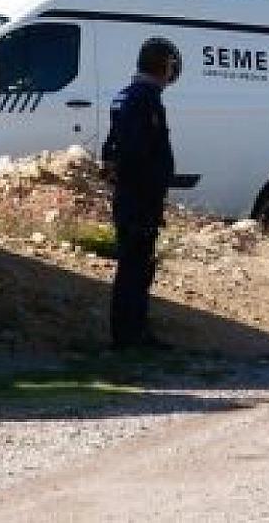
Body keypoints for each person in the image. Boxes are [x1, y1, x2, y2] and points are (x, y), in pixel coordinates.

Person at [101, 39, 180, 349]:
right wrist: (149, 193)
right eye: (171, 65)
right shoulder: (144, 99)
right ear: (162, 65)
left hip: (131, 196)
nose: (172, 71)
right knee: (135, 268)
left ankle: (132, 333)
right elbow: (137, 152)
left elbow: (112, 148)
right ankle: (130, 336)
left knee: (135, 266)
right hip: (138, 198)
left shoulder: (127, 95)